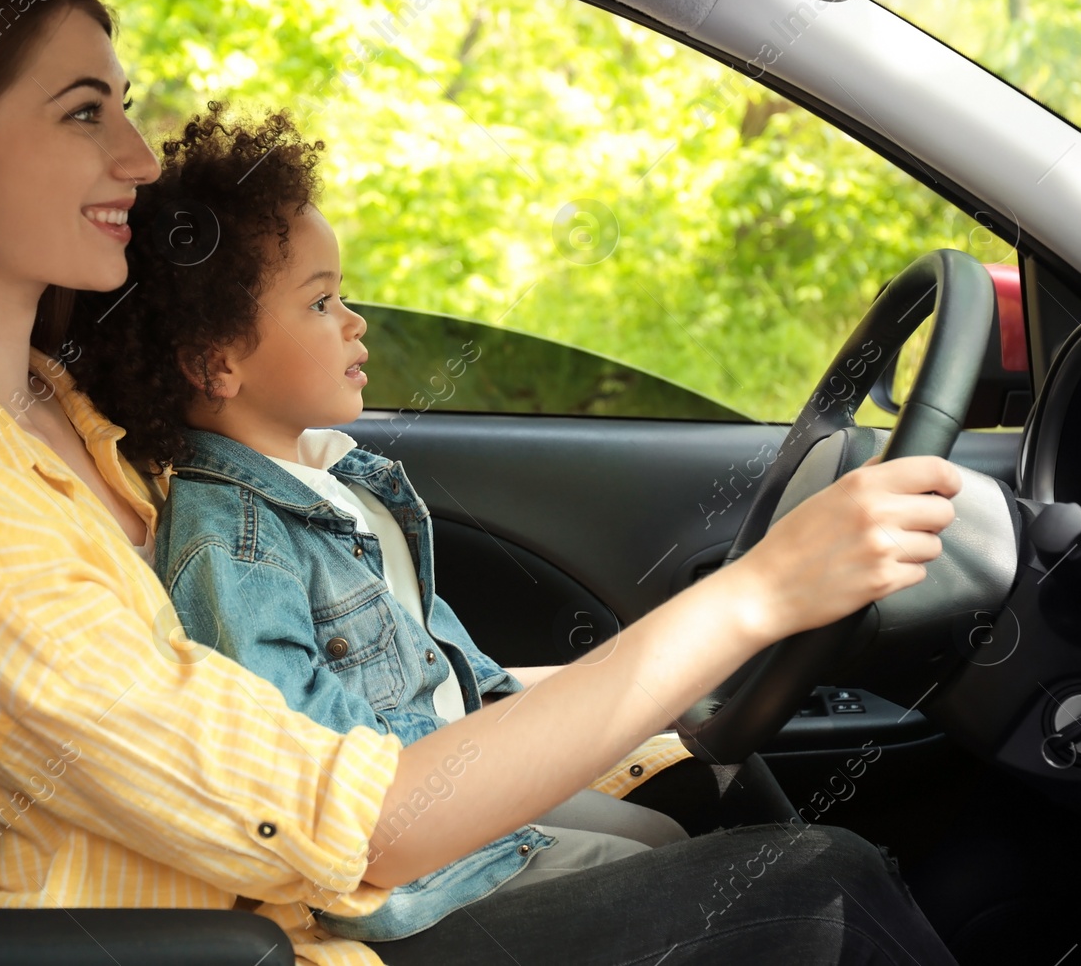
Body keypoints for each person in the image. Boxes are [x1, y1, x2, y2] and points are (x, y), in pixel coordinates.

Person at [0, 0, 963, 966]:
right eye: (84, 111)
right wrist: (753, 596)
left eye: (128, 106)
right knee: (818, 889)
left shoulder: (50, 409)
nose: (139, 161)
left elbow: (329, 687)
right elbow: (356, 827)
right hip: (295, 934)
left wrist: (640, 694)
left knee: (735, 811)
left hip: (314, 909)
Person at [67, 102, 801, 942]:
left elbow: (451, 672)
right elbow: (319, 777)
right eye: (320, 303)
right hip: (419, 885)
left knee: (675, 823)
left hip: (461, 801)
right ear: (215, 362)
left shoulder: (342, 482)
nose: (356, 321)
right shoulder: (229, 543)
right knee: (729, 874)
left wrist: (643, 686)